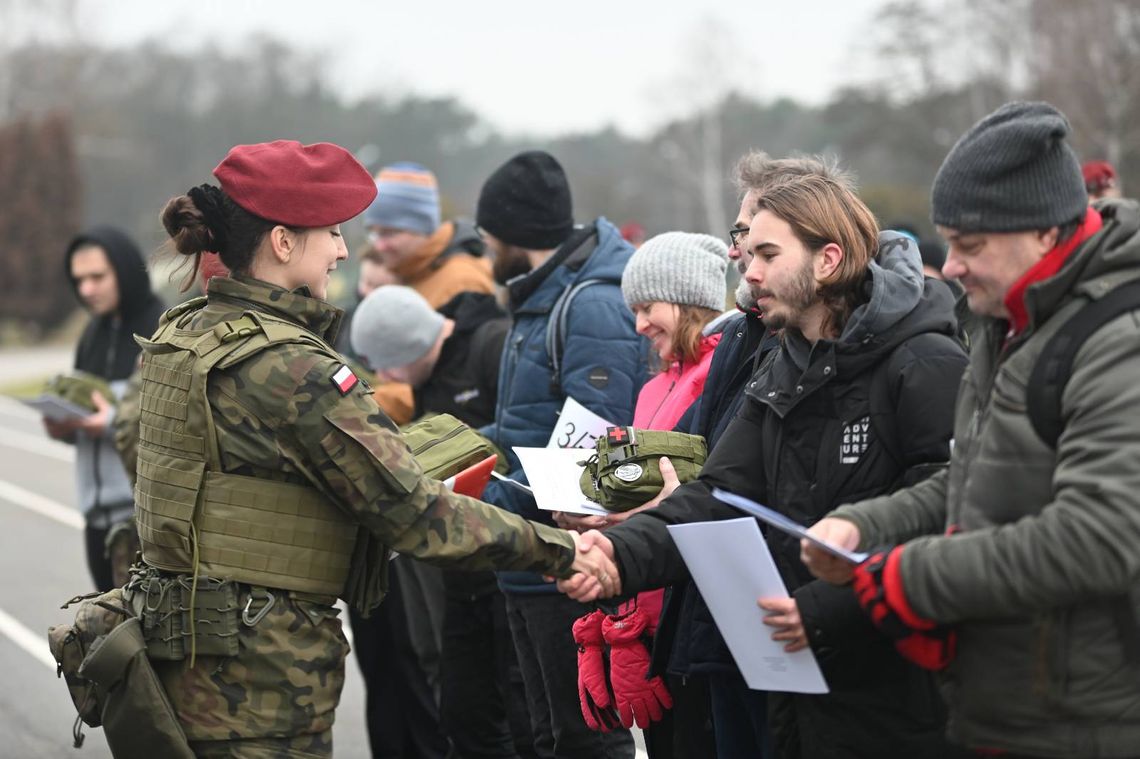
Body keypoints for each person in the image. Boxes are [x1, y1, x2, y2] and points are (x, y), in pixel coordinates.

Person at [131, 139, 616, 758]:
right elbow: (417, 516)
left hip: (178, 644)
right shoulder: (293, 367)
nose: (341, 250)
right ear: (283, 243)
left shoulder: (186, 331)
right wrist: (562, 549)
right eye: (331, 232)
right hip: (257, 675)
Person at [563, 172, 971, 758]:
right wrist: (617, 556)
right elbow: (718, 495)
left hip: (901, 700)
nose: (748, 273)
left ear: (828, 260)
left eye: (767, 255)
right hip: (793, 688)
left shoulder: (925, 361)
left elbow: (948, 512)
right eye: (748, 253)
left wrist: (824, 612)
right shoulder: (781, 367)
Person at [803, 102, 1140, 758]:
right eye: (949, 241)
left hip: (1085, 724)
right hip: (1003, 708)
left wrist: (909, 575)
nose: (949, 266)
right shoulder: (1005, 321)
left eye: (971, 244)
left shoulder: (1116, 338)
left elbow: (1102, 535)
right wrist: (867, 526)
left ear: (1045, 233)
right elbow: (977, 474)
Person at [476, 149, 648, 759]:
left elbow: (589, 447)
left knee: (582, 740)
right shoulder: (541, 295)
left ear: (514, 234)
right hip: (528, 554)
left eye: (488, 233)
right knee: (546, 736)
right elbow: (518, 424)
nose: (484, 247)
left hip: (564, 556)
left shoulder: (589, 304)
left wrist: (483, 503)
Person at [563, 231, 727, 759]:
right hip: (644, 604)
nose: (638, 325)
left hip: (689, 610)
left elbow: (702, 495)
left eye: (648, 307)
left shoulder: (718, 377)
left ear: (689, 300)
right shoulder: (655, 386)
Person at [351, 284, 531, 758]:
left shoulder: (491, 346)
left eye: (388, 363)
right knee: (455, 700)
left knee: (514, 707)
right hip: (454, 565)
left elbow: (520, 436)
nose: (388, 377)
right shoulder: (426, 375)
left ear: (410, 345)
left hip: (502, 556)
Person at [43, 226, 164, 591]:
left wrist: (110, 423)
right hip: (95, 521)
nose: (86, 290)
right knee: (106, 639)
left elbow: (176, 423)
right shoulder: (91, 335)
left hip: (143, 523)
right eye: (79, 280)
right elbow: (85, 412)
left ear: (125, 271)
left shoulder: (163, 329)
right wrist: (63, 427)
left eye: (97, 277)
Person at [364, 161, 492, 307]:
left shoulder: (462, 283)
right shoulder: (408, 271)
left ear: (422, 228)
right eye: (374, 234)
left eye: (389, 233)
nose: (379, 246)